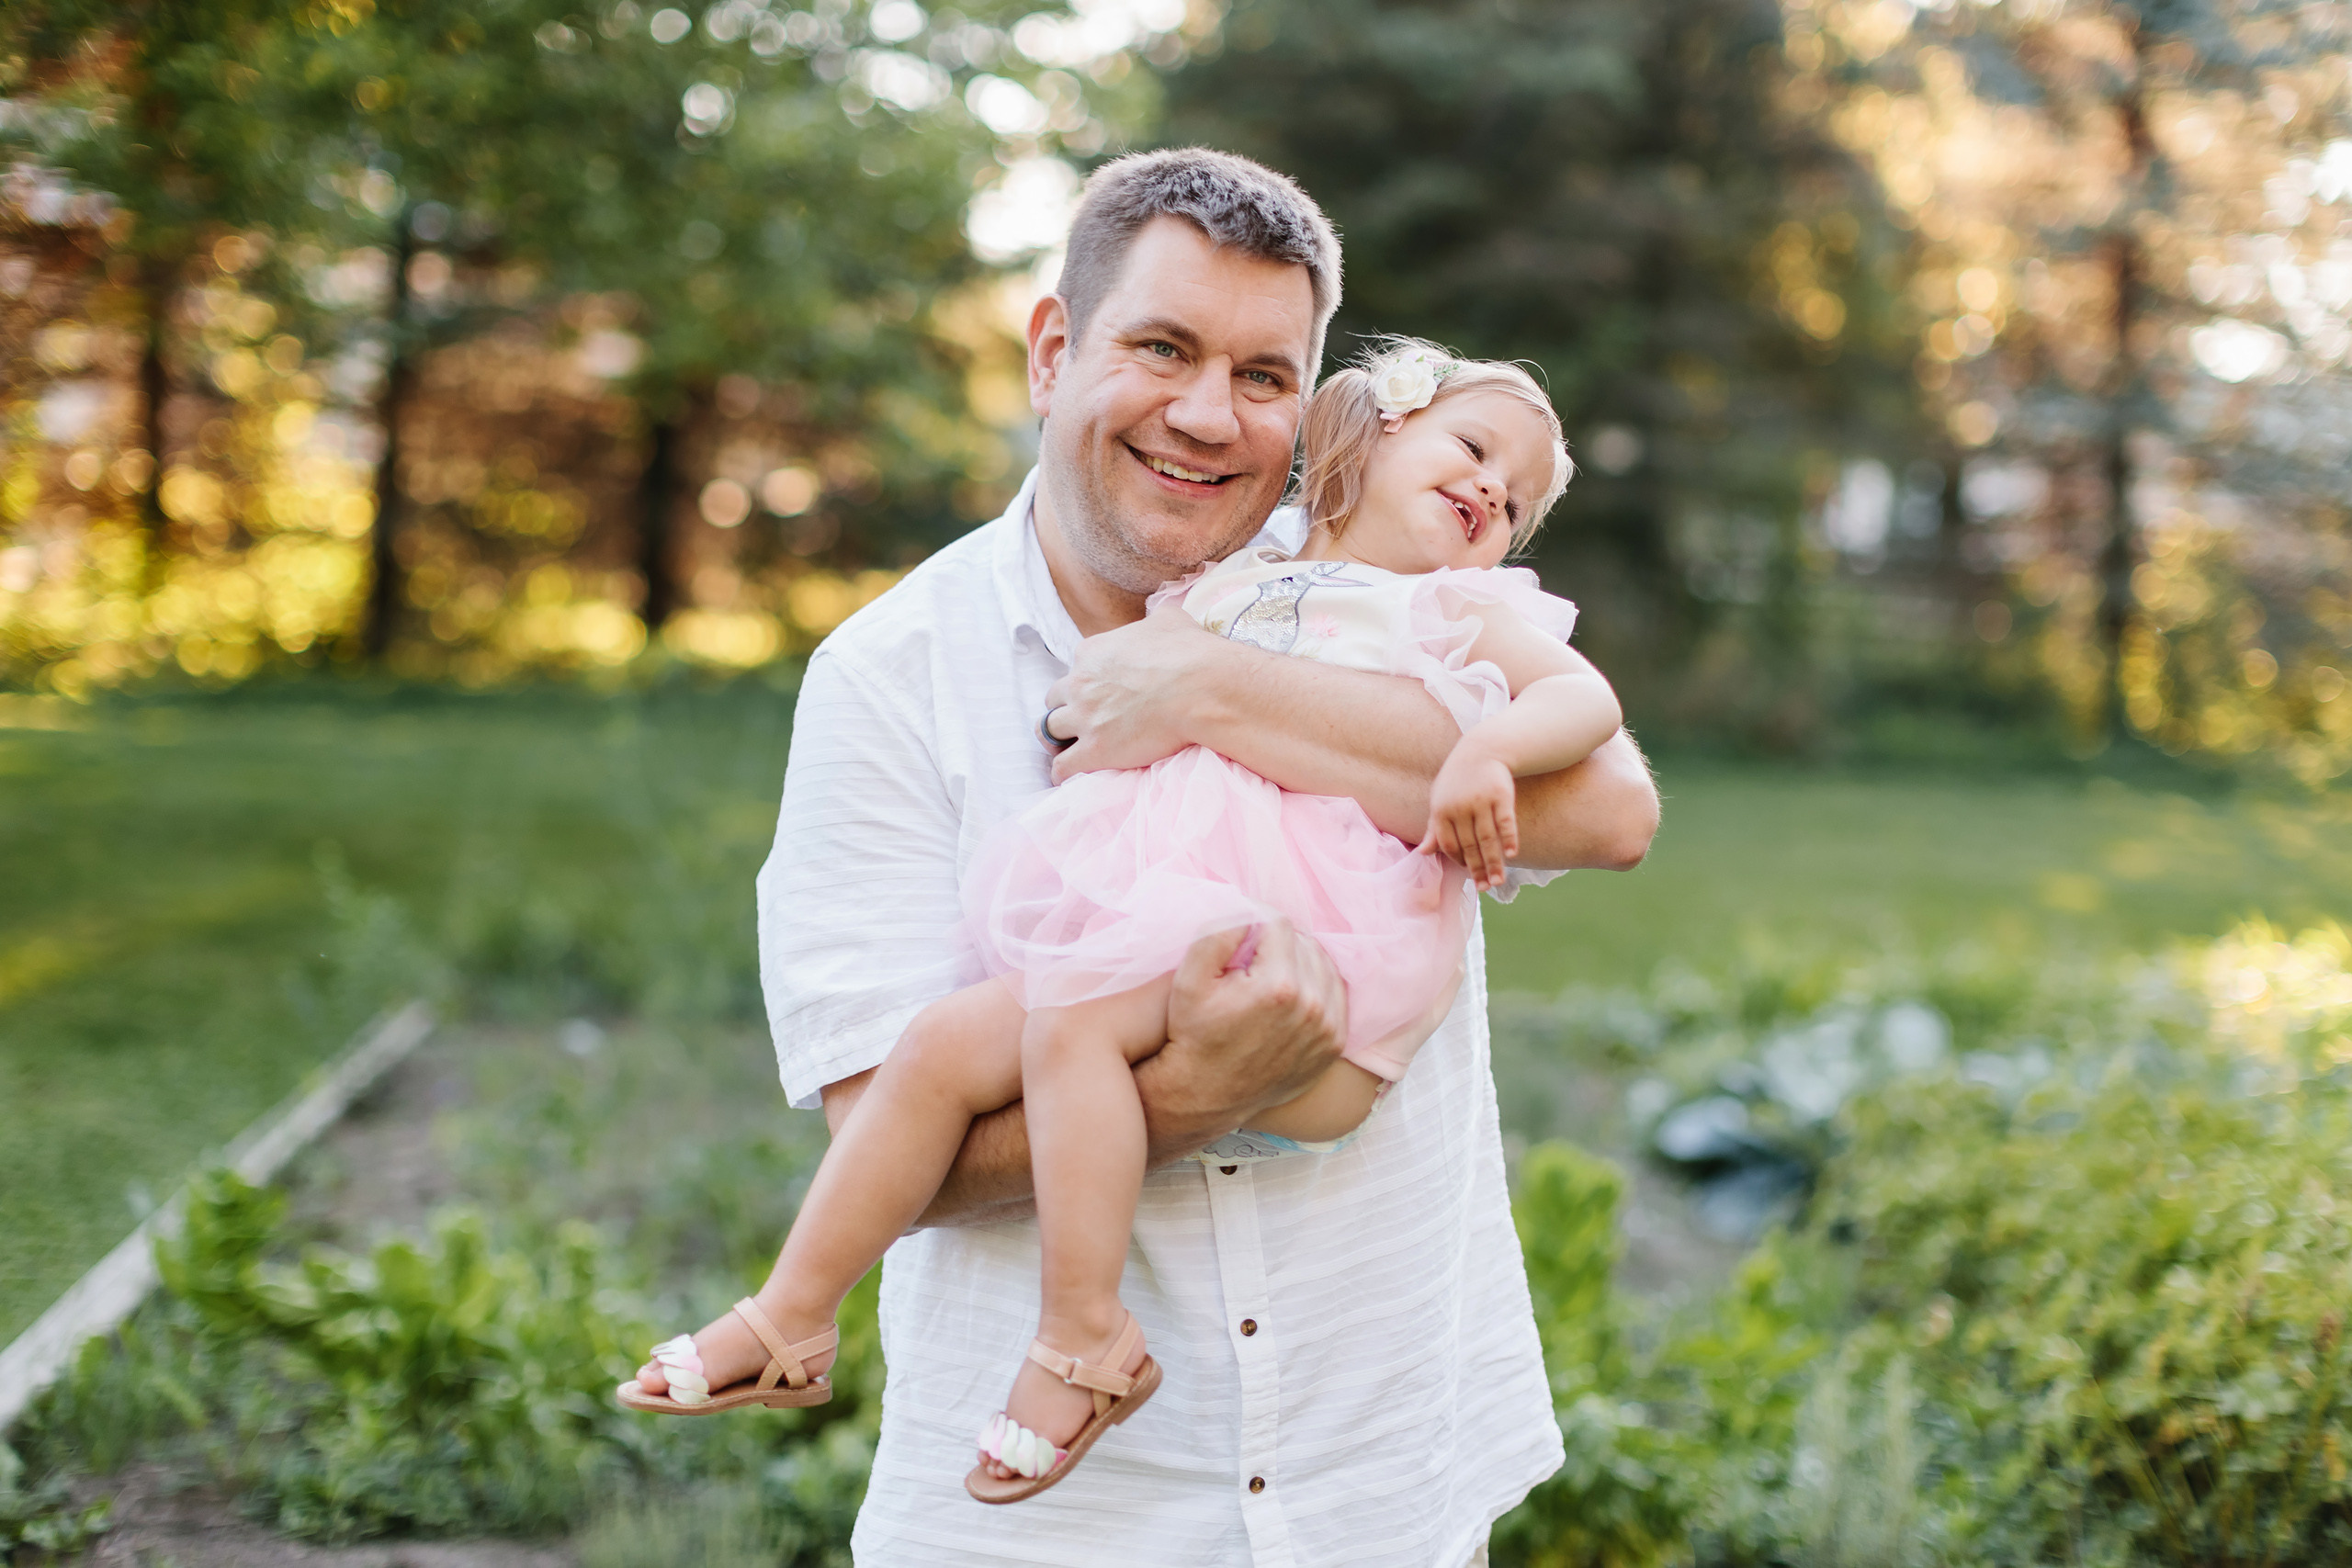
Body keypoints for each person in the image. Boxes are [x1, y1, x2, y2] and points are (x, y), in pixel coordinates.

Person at [679, 149, 1655, 1566]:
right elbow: (890, 1138)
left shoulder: (1368, 583)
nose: (1208, 414)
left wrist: (1211, 694)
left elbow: (1609, 813)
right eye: (1161, 349)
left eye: (1263, 375)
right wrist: (1196, 1088)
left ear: (1309, 403)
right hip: (1060, 1527)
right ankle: (841, 1324)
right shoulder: (893, 674)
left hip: (1377, 1477)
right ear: (1052, 353)